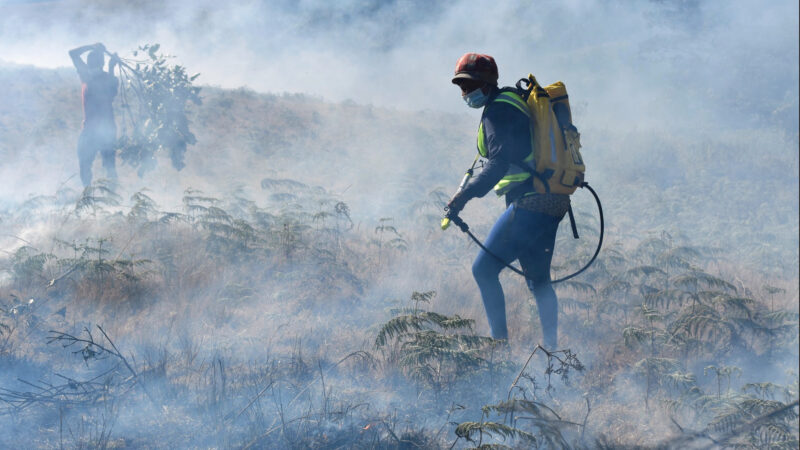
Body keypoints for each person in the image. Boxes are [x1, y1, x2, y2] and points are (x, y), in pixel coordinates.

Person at [446, 53, 572, 349]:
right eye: (461, 87)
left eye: (469, 85)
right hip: (554, 201)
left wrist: (461, 198)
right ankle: (552, 352)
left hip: (530, 203)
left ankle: (498, 347)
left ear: (486, 83)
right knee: (539, 280)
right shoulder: (514, 101)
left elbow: (498, 165)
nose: (465, 93)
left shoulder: (497, 111)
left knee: (483, 270)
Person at [69, 42, 119, 187]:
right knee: (107, 165)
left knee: (89, 164)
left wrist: (91, 47)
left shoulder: (87, 76)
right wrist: (111, 66)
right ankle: (104, 195)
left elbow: (73, 53)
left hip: (95, 129)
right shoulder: (105, 78)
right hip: (103, 128)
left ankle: (89, 195)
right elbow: (111, 92)